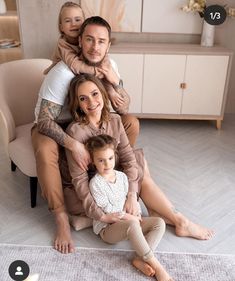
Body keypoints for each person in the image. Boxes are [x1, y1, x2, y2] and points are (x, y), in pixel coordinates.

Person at [64, 74, 214, 257]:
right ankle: (177, 219)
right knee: (140, 173)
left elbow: (127, 157)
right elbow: (79, 180)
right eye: (83, 98)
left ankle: (176, 218)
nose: (91, 102)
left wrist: (131, 195)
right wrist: (100, 215)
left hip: (113, 176)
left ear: (103, 94)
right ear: (77, 103)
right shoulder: (75, 131)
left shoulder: (114, 120)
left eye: (95, 94)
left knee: (136, 162)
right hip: (95, 188)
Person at [31, 16, 139, 254]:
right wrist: (73, 145)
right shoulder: (61, 73)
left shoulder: (110, 66)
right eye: (89, 39)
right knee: (46, 146)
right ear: (80, 40)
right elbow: (44, 121)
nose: (95, 46)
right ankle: (60, 217)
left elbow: (123, 109)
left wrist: (115, 82)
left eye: (101, 41)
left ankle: (110, 180)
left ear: (108, 45)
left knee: (130, 123)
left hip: (90, 123)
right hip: (54, 127)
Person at [85, 134, 172, 280]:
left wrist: (136, 213)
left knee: (159, 223)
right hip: (109, 228)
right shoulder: (96, 183)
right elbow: (109, 212)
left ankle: (139, 259)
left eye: (110, 159)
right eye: (101, 160)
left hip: (129, 222)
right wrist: (131, 218)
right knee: (132, 224)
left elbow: (130, 201)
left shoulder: (122, 177)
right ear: (93, 162)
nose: (107, 164)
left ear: (115, 157)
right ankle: (156, 266)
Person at [44, 1, 94, 76]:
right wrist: (95, 71)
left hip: (78, 70)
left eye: (77, 20)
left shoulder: (84, 38)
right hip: (59, 75)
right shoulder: (62, 44)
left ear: (84, 23)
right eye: (67, 21)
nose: (73, 24)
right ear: (61, 27)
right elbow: (74, 64)